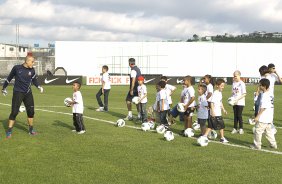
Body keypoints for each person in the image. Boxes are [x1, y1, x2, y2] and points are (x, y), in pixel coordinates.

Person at [2, 56, 44, 138]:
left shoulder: (32, 70)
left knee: (31, 112)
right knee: (14, 112)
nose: (33, 63)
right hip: (18, 93)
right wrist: (4, 88)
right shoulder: (16, 68)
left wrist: (39, 86)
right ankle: (9, 131)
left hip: (28, 93)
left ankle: (31, 130)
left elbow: (34, 79)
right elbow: (9, 78)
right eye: (32, 61)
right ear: (27, 61)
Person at [250, 78, 277, 150]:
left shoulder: (265, 95)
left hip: (263, 117)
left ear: (264, 86)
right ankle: (273, 144)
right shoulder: (270, 93)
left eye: (260, 85)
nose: (259, 87)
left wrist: (257, 117)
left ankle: (257, 146)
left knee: (258, 131)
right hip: (269, 116)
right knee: (269, 132)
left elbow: (263, 108)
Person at [201, 78, 229, 143]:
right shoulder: (216, 93)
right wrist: (213, 112)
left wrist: (224, 109)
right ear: (217, 86)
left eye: (223, 86)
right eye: (221, 86)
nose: (223, 87)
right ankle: (222, 138)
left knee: (210, 126)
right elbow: (212, 103)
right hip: (216, 113)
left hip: (217, 112)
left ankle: (204, 136)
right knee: (221, 126)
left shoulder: (220, 93)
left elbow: (220, 102)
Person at [231, 70, 247, 135]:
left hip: (240, 102)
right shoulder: (234, 83)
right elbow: (233, 93)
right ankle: (235, 128)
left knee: (239, 115)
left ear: (239, 76)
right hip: (234, 102)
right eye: (234, 76)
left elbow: (244, 94)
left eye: (235, 76)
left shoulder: (242, 84)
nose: (234, 77)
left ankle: (241, 129)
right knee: (235, 116)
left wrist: (237, 99)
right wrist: (232, 99)